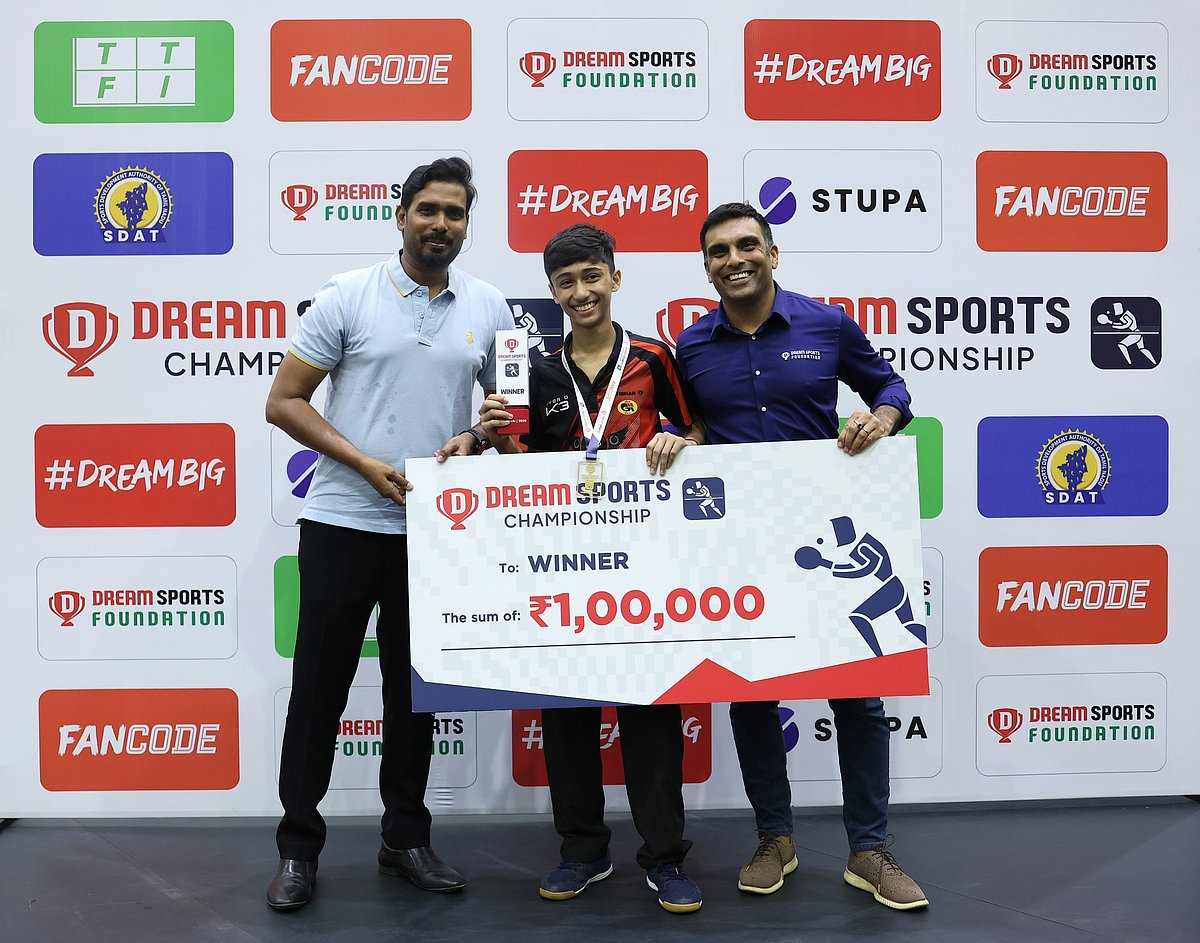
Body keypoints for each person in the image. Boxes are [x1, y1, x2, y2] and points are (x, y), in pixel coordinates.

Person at [263, 157, 514, 910]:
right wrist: (365, 462)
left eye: (456, 213)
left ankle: (405, 836)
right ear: (400, 215)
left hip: (436, 532)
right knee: (318, 694)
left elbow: (509, 417)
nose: (442, 223)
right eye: (428, 209)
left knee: (414, 697)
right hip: (343, 523)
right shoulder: (348, 296)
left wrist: (477, 433)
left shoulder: (492, 305)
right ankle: (298, 849)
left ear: (468, 223)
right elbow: (284, 401)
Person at [673, 202, 929, 911]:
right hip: (741, 544)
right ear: (706, 266)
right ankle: (774, 837)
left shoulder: (826, 324)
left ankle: (869, 849)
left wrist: (882, 417)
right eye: (719, 250)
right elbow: (682, 423)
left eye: (747, 244)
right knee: (753, 694)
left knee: (858, 695)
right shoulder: (688, 347)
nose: (735, 258)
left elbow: (892, 387)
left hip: (830, 538)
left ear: (773, 252)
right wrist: (680, 437)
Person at [479, 224, 705, 913]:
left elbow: (699, 428)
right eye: (566, 282)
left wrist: (679, 436)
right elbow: (522, 469)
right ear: (552, 292)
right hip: (563, 569)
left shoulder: (655, 357)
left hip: (645, 566)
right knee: (566, 713)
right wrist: (494, 433)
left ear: (614, 276)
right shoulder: (537, 370)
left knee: (650, 715)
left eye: (591, 277)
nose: (581, 292)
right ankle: (583, 850)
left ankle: (665, 858)